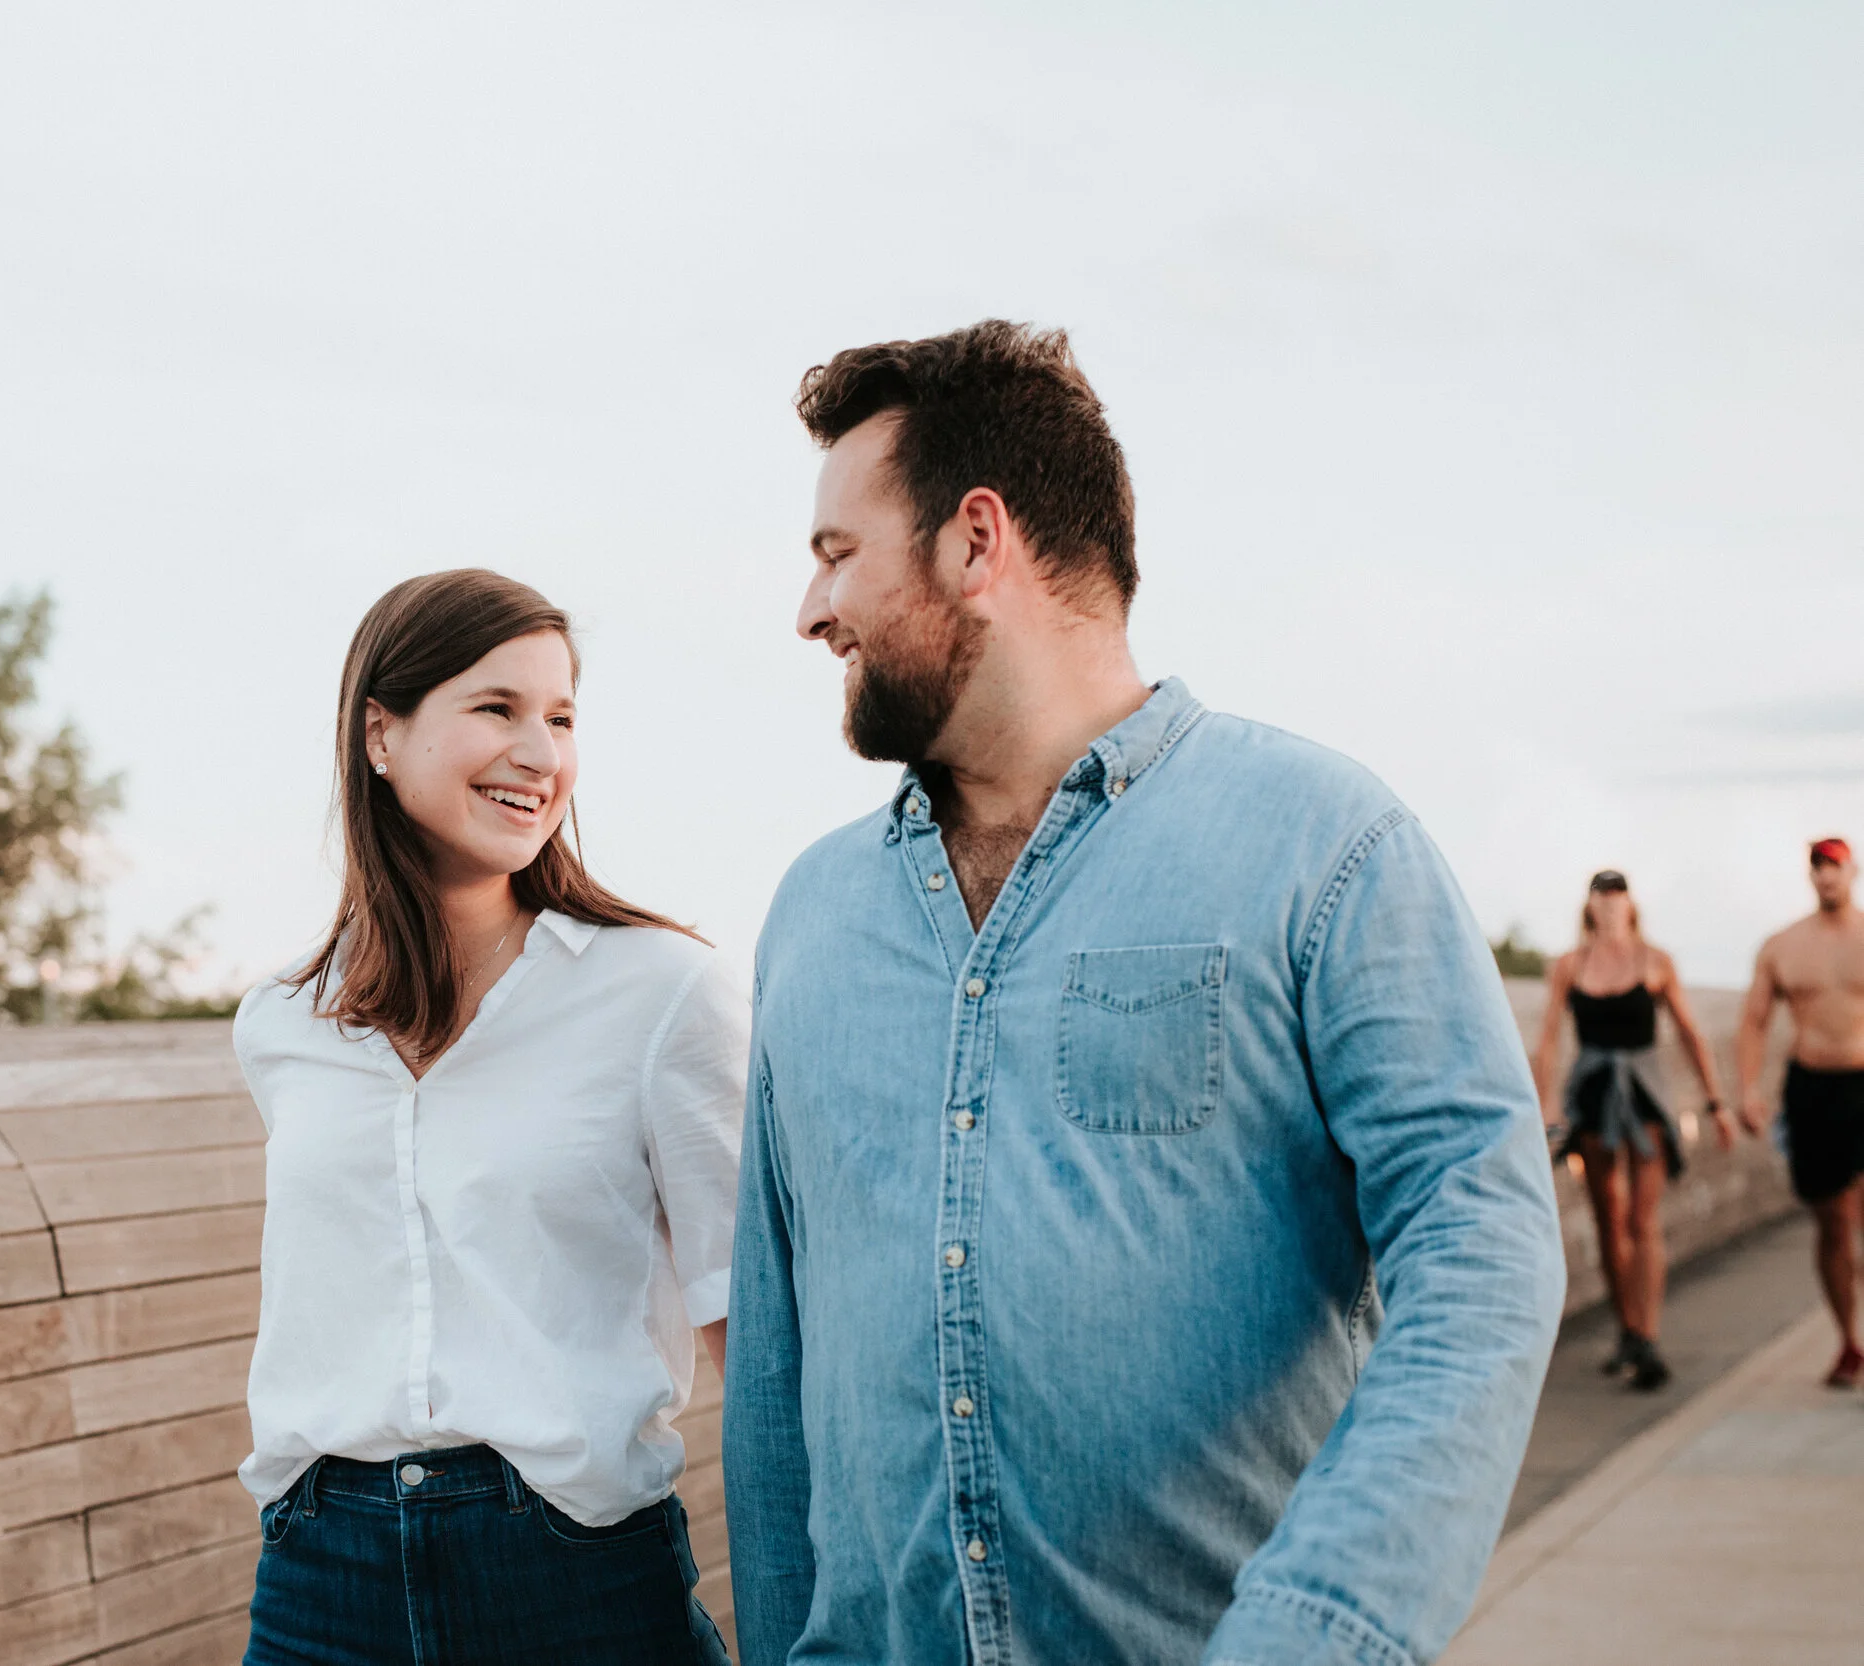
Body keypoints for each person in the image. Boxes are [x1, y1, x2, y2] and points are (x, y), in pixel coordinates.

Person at [724, 321, 1566, 1666]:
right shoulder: (810, 917)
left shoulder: (1327, 846)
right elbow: (776, 1372)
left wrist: (1318, 1633)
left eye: (836, 554)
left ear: (975, 541)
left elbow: (1482, 1254)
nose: (811, 611)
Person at [234, 569, 743, 1665]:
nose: (543, 754)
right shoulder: (280, 1021)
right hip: (319, 1577)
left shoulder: (664, 993)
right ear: (381, 733)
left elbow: (745, 1330)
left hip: (575, 1577)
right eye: (497, 708)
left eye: (560, 718)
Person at [1530, 870, 1733, 1392]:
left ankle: (1647, 1335)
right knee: (1608, 1220)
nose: (1611, 904)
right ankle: (1627, 1329)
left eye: (1618, 895)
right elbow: (1548, 1039)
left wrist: (1716, 1104)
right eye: (1602, 895)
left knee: (1643, 1220)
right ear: (1590, 905)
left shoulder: (1656, 961)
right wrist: (1546, 1104)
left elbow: (1690, 1033)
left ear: (1631, 904)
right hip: (1594, 1096)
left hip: (1645, 1096)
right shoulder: (1569, 966)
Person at [1736, 837, 1864, 1389]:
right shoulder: (1783, 946)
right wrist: (1747, 1089)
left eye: (1835, 867)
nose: (1827, 877)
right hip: (1812, 1086)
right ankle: (1848, 1341)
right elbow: (1754, 1022)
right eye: (1819, 868)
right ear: (1810, 877)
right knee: (1832, 1221)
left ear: (1852, 871)